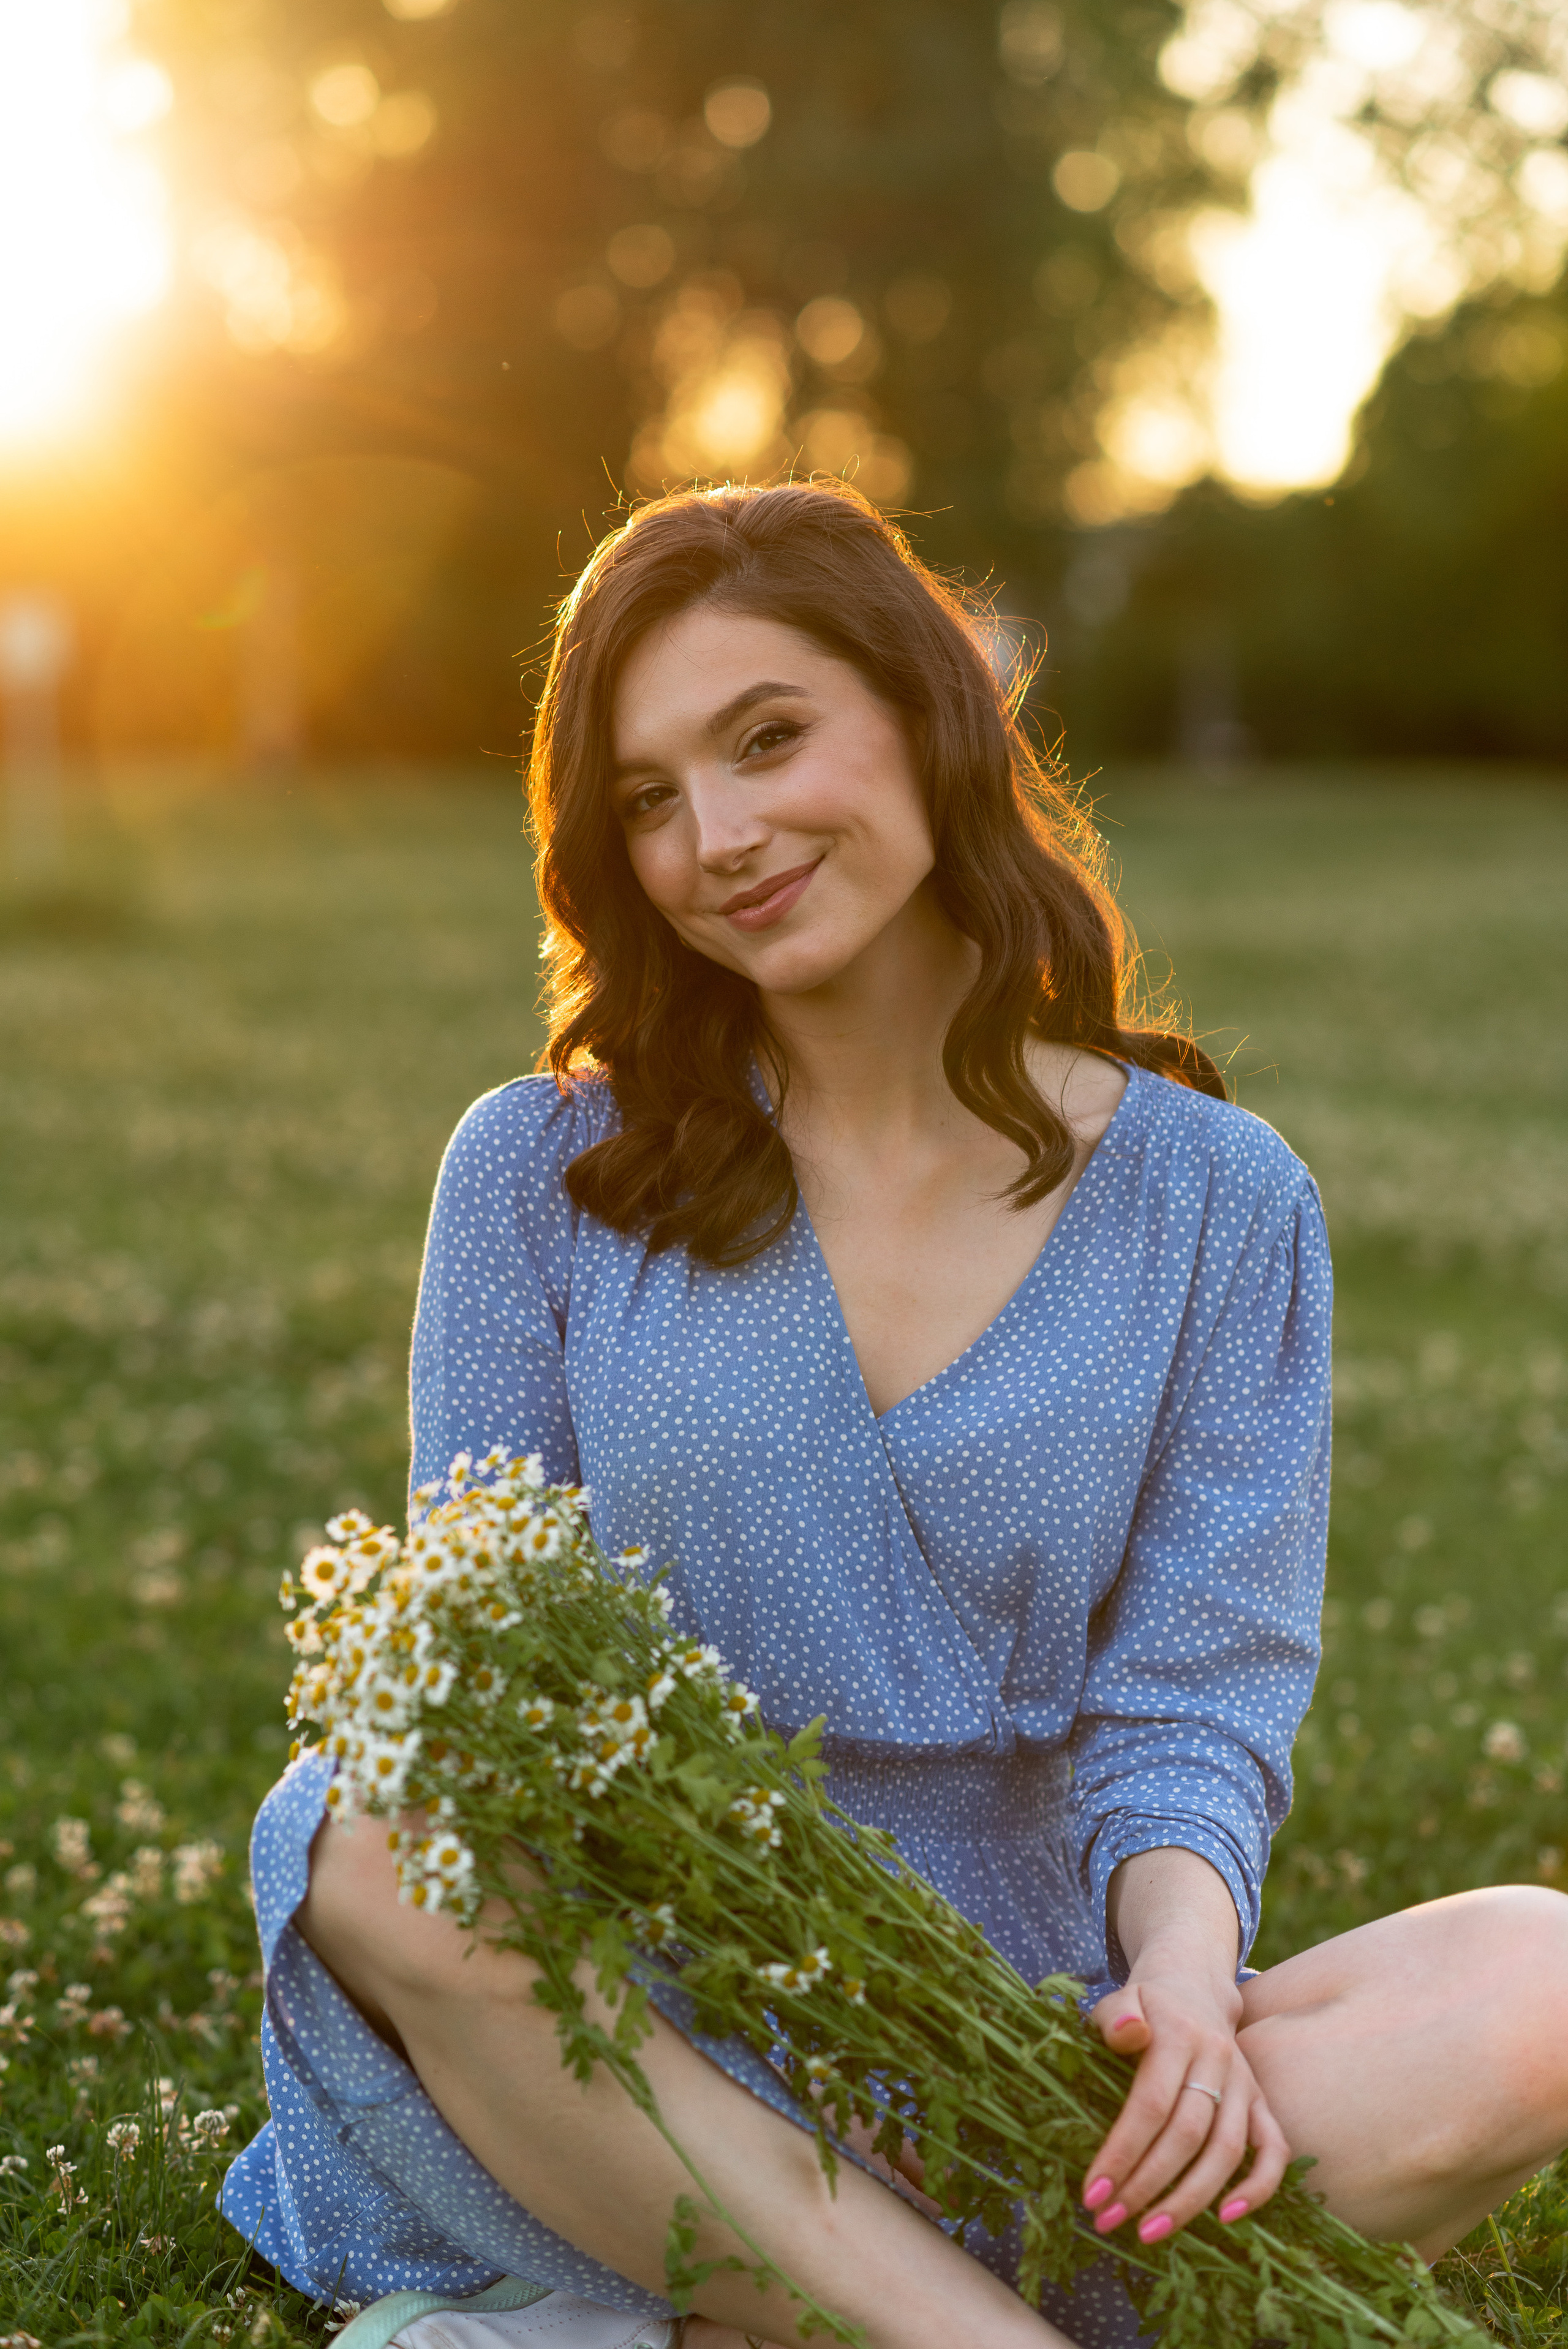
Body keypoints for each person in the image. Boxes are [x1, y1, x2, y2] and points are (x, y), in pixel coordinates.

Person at [221, 482, 1568, 2349]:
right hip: (639, 2054)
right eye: (649, 797)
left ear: (928, 712)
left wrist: (1182, 1982)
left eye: (768, 737)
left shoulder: (1219, 1198)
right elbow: (482, 1705)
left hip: (1017, 2054)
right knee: (371, 1834)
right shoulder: (542, 1172)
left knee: (1542, 1981)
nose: (721, 836)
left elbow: (1195, 1694)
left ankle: (771, 2314)